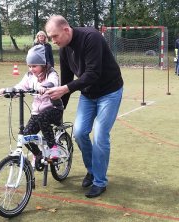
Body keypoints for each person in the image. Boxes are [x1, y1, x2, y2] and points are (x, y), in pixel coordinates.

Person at [45, 15, 124, 198]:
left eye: (55, 36)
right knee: (80, 133)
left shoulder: (91, 37)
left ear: (66, 29)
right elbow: (66, 80)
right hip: (88, 94)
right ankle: (92, 170)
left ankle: (100, 181)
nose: (53, 41)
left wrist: (65, 88)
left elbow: (93, 73)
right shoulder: (64, 48)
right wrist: (59, 110)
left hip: (109, 92)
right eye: (51, 38)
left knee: (100, 135)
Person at [0, 45, 63, 169]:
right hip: (37, 113)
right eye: (29, 66)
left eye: (34, 66)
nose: (31, 69)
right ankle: (38, 155)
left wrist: (45, 86)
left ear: (42, 64)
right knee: (26, 135)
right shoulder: (29, 76)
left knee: (43, 117)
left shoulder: (51, 73)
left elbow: (53, 82)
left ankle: (54, 150)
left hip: (54, 109)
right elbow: (21, 87)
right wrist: (8, 91)